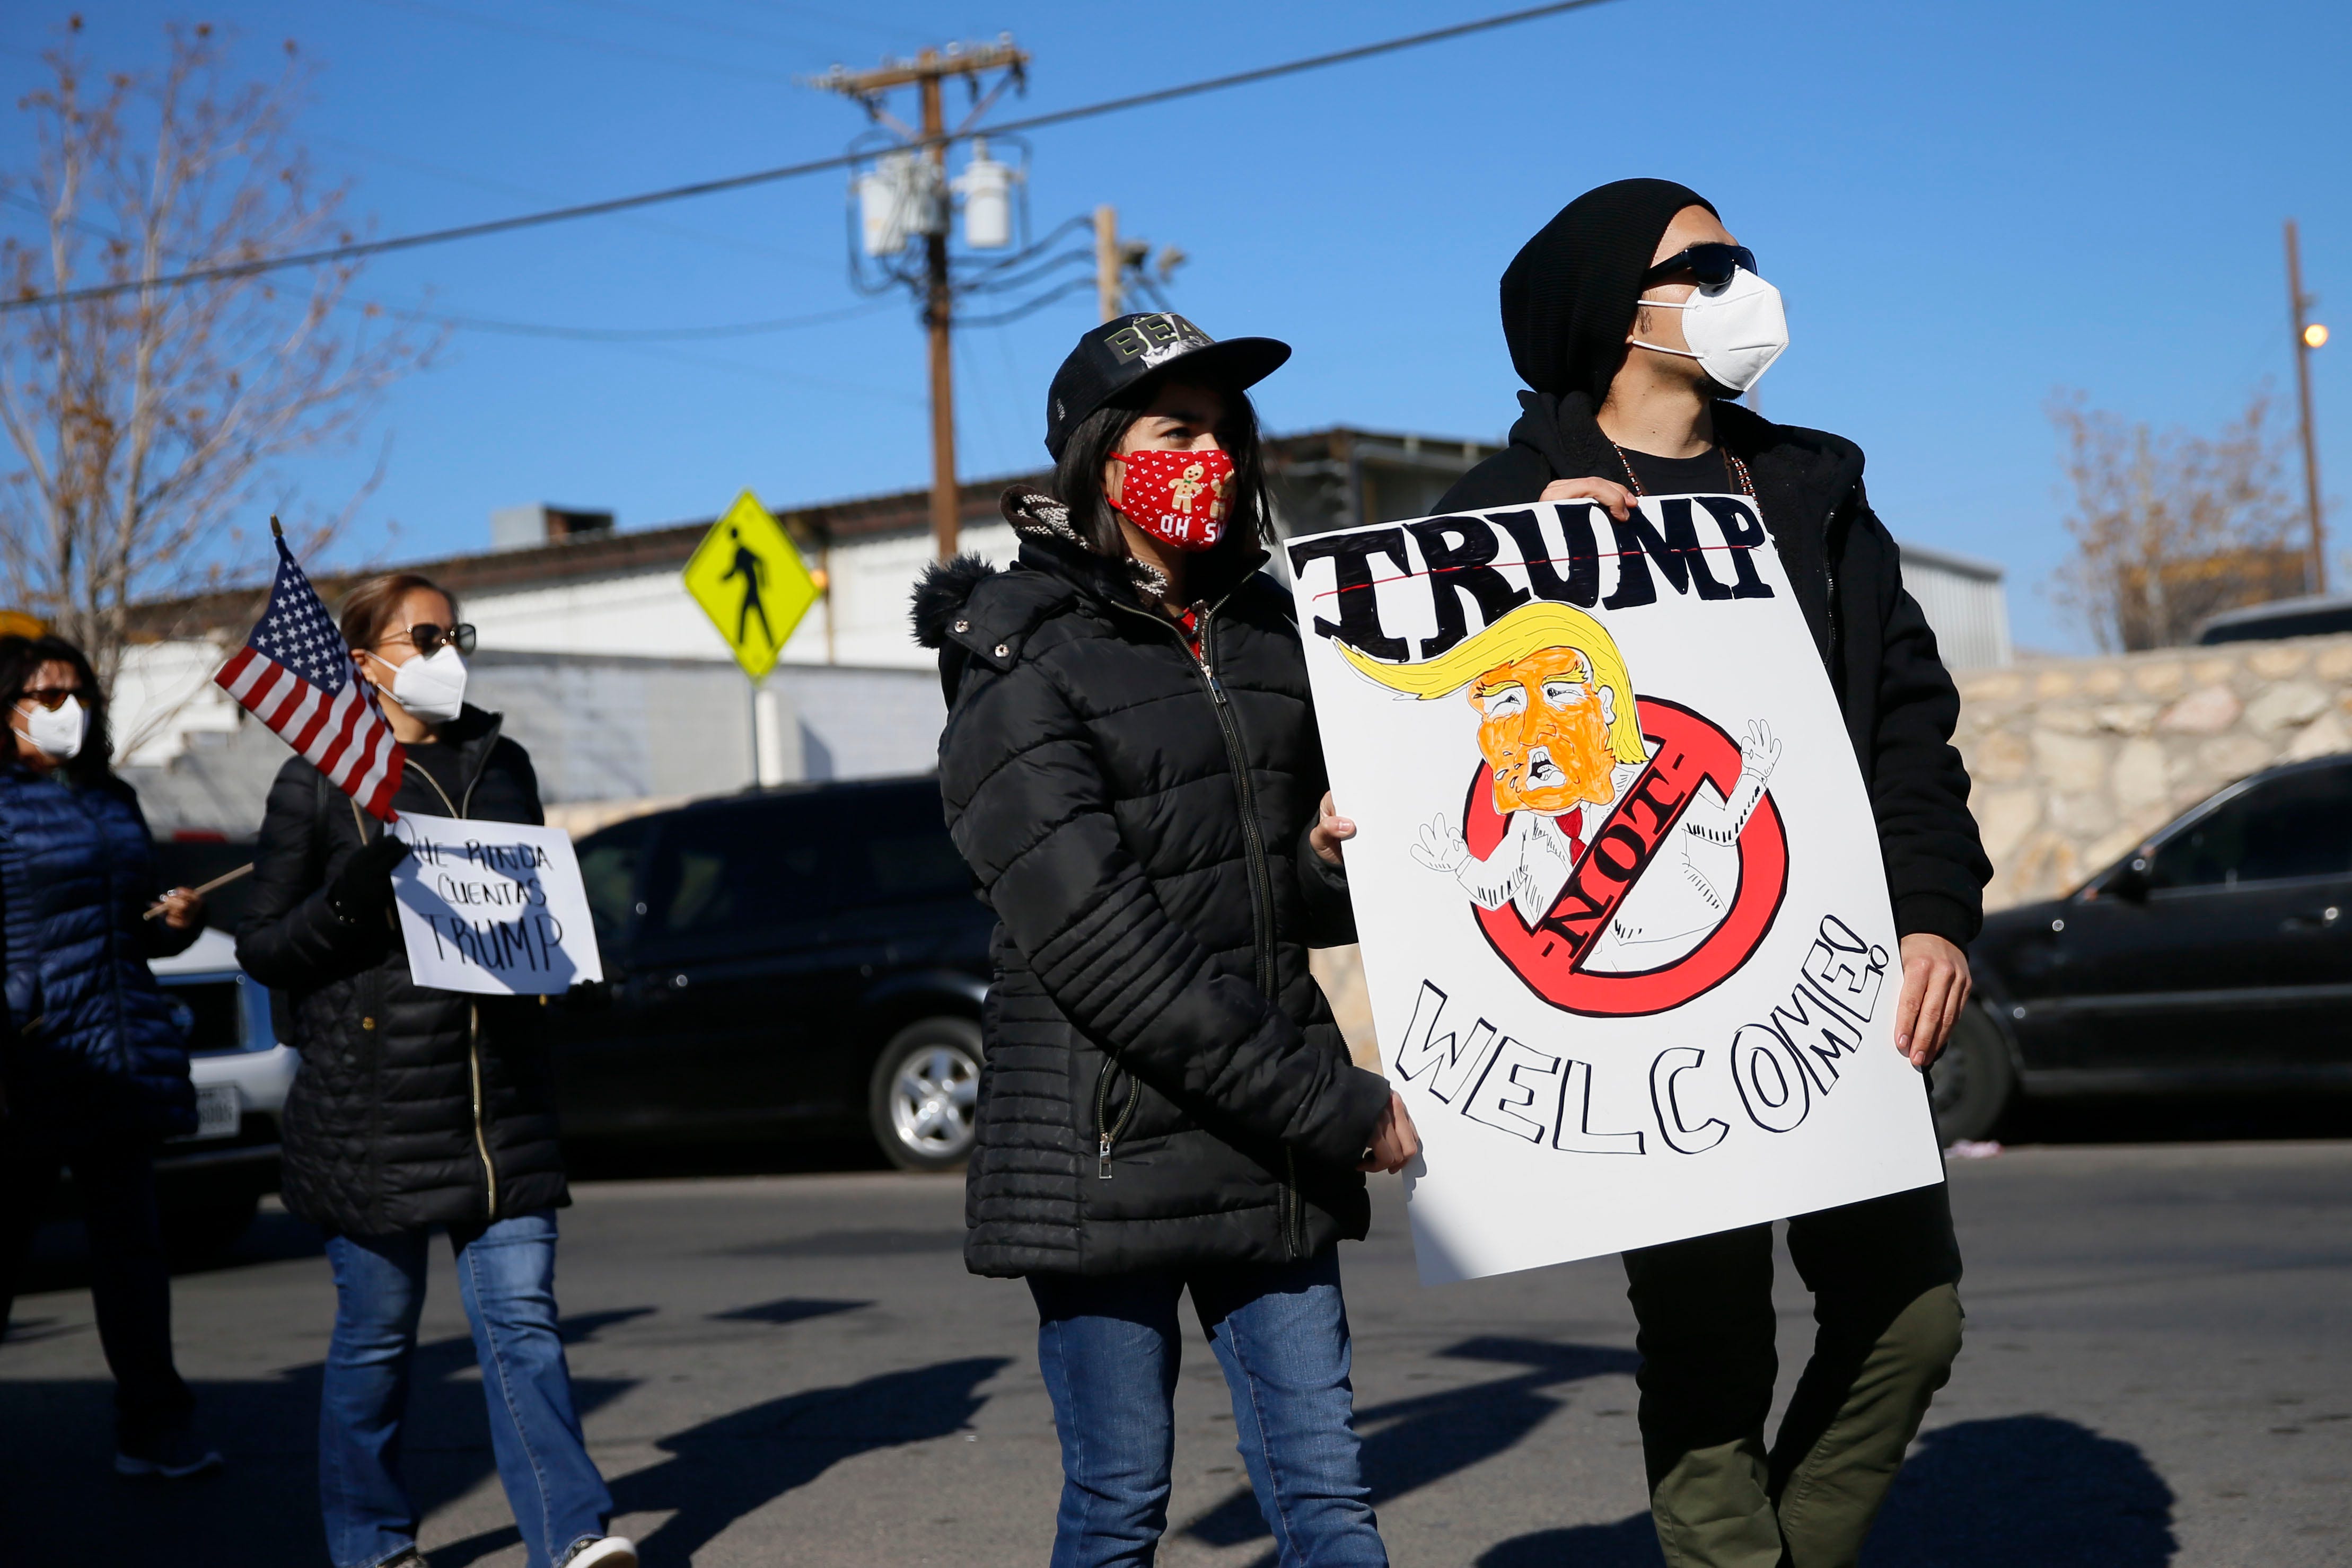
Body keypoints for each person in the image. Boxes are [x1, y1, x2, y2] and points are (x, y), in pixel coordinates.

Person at [1433, 179, 1993, 1568]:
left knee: (1910, 1308)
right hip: (1633, 1008)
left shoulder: (1808, 489)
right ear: (1615, 312)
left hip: (1825, 975)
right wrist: (1520, 577)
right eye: (1711, 261)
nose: (1749, 281)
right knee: (1707, 1343)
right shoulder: (1493, 513)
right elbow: (1419, 737)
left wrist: (1931, 914)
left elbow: (1907, 725)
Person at [912, 311, 1421, 1568]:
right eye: (1173, 431)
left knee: (1329, 1505)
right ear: (1098, 456)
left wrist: (1324, 865)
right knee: (1120, 1505)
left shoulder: (1268, 637)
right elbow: (1106, 952)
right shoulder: (1019, 655)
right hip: (1105, 1149)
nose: (1212, 457)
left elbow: (1271, 894)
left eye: (1227, 432)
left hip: (1266, 1146)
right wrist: (1335, 1103)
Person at [235, 575, 634, 1568]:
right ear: (364, 660)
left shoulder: (504, 764)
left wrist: (574, 969)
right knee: (375, 1343)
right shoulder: (318, 781)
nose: (446, 651)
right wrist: (346, 903)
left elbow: (538, 904)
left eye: (455, 631)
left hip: (501, 1106)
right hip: (374, 1115)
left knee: (523, 1329)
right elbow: (264, 947)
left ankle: (572, 1536)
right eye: (423, 636)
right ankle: (370, 1541)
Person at [0, 632, 222, 1478]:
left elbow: (128, 927)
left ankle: (154, 1426)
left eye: (79, 695)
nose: (69, 711)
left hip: (118, 1051)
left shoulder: (112, 798)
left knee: (132, 1257)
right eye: (46, 695)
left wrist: (174, 923)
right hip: (31, 1059)